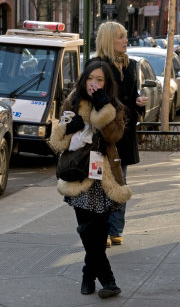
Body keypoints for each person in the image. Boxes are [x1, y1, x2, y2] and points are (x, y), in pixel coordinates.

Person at [50, 61, 132, 298]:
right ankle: (108, 280)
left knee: (99, 231)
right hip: (78, 175)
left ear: (106, 84)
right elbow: (57, 143)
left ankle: (88, 275)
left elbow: (114, 136)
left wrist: (104, 111)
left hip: (104, 175)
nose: (94, 84)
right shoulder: (72, 102)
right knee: (87, 230)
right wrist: (70, 129)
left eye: (100, 80)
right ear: (83, 79)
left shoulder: (114, 106)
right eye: (90, 79)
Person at [86, 21, 147, 248]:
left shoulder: (130, 66)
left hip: (124, 133)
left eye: (125, 36)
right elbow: (89, 100)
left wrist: (138, 102)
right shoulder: (96, 67)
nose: (126, 41)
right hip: (101, 135)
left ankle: (115, 230)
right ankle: (100, 231)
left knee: (120, 181)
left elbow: (132, 96)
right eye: (121, 37)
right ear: (109, 40)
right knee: (99, 182)